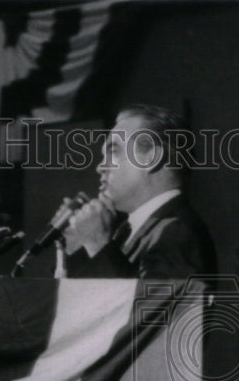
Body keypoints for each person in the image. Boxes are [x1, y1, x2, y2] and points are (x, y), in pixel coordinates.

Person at [62, 104, 217, 280]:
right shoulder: (125, 232)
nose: (100, 167)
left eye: (113, 151)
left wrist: (97, 243)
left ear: (151, 158)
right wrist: (78, 247)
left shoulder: (178, 232)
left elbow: (144, 307)